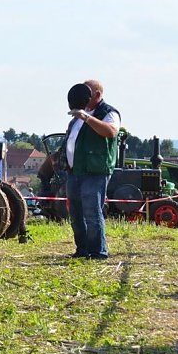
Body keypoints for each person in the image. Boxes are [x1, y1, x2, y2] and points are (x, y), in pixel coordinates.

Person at [64, 80, 120, 259]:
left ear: (97, 94)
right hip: (75, 171)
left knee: (92, 212)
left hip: (95, 171)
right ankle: (82, 249)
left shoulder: (109, 112)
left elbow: (110, 131)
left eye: (87, 91)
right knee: (76, 213)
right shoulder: (77, 117)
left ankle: (98, 251)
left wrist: (86, 118)